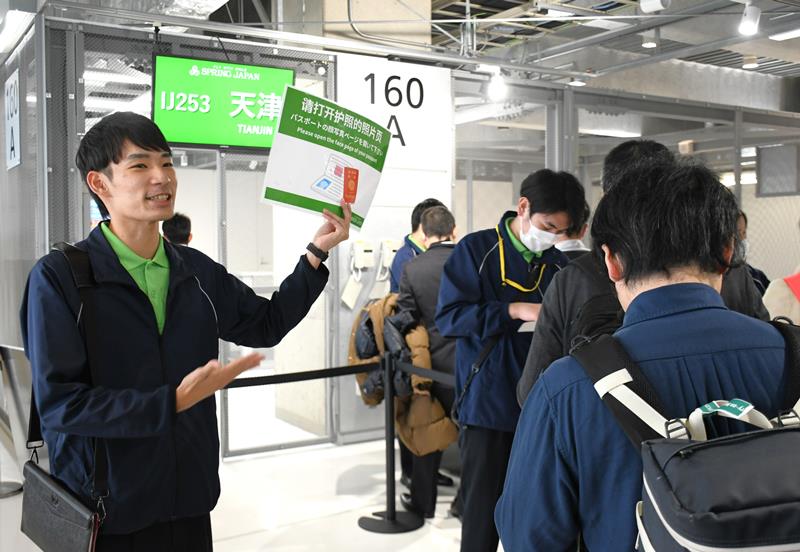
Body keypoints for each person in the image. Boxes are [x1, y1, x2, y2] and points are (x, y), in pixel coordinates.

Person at [20, 112, 351, 550]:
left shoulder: (195, 272)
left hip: (189, 500)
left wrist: (315, 254)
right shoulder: (61, 278)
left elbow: (265, 323)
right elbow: (60, 404)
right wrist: (170, 402)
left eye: (167, 162)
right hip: (109, 510)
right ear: (99, 184)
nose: (162, 177)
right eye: (140, 166)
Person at [495, 161, 788, 551]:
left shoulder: (567, 389)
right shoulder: (793, 353)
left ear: (611, 262)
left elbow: (528, 538)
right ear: (726, 253)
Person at [516, 141, 769, 406]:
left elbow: (533, 393)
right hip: (732, 431)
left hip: (607, 435)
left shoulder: (574, 279)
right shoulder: (727, 269)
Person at [435, 168, 586, 552]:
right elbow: (450, 317)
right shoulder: (475, 250)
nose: (551, 238)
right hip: (487, 403)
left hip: (540, 406)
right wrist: (514, 310)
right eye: (547, 225)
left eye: (559, 232)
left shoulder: (557, 266)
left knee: (537, 513)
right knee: (482, 514)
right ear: (523, 207)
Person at [396, 206, 458, 519]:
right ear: (454, 230)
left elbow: (405, 317)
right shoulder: (473, 262)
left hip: (429, 363)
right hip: (473, 363)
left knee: (426, 428)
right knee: (477, 439)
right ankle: (465, 504)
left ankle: (424, 503)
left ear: (423, 233)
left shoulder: (413, 268)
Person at [737, 210, 770, 295]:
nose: (741, 239)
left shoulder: (757, 278)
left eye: (744, 232)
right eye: (737, 233)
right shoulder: (715, 280)